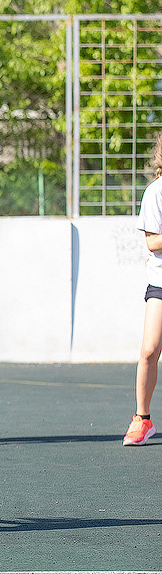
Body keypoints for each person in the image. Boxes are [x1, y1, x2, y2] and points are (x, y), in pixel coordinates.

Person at [125, 134, 162, 446]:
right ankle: (142, 419)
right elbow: (152, 242)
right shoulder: (155, 193)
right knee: (149, 349)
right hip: (160, 284)